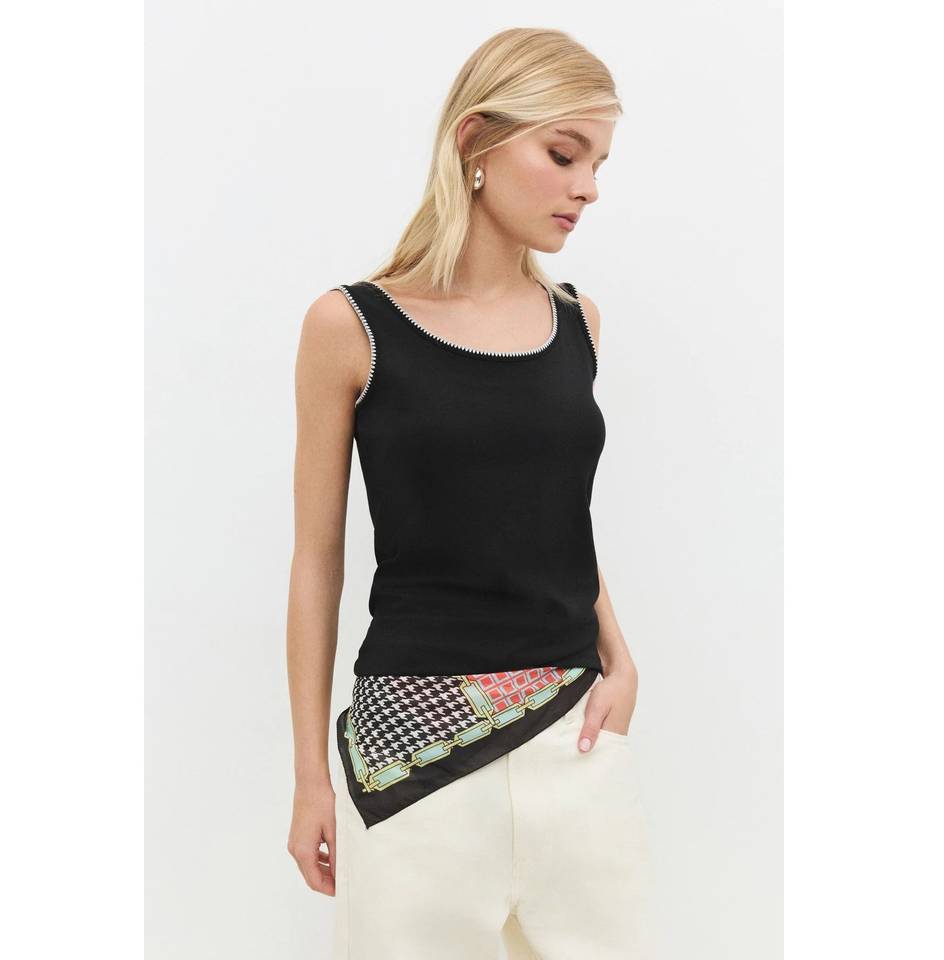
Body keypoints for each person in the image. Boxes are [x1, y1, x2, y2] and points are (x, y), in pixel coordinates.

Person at [286, 26, 655, 959]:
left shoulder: (578, 323)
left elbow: (557, 516)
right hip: (414, 763)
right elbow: (317, 558)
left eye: (599, 163)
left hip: (576, 738)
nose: (588, 187)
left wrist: (621, 659)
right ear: (474, 141)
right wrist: (309, 776)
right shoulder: (351, 326)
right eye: (564, 154)